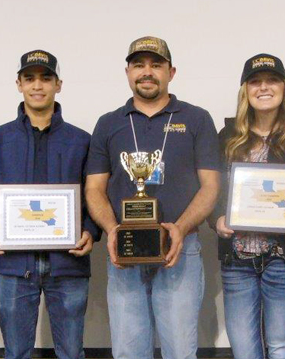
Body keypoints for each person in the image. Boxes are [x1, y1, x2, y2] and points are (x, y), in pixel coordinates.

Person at [85, 36, 220, 359]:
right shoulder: (109, 123)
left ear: (171, 72)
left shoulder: (197, 119)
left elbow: (211, 186)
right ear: (128, 72)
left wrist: (180, 228)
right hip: (124, 251)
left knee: (180, 351)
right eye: (139, 65)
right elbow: (94, 189)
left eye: (156, 65)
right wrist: (114, 230)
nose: (147, 72)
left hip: (180, 248)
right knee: (129, 352)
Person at [0, 50, 99, 359]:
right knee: (16, 352)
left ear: (59, 84)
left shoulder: (82, 141)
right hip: (14, 266)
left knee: (71, 352)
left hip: (68, 262)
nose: (37, 85)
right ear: (18, 84)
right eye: (29, 78)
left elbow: (95, 196)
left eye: (46, 78)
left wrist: (90, 230)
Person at [208, 53, 285, 359]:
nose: (263, 87)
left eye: (271, 80)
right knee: (244, 351)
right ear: (245, 90)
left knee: (283, 348)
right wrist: (216, 220)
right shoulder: (226, 137)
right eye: (255, 81)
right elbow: (212, 191)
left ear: (284, 87)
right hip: (237, 260)